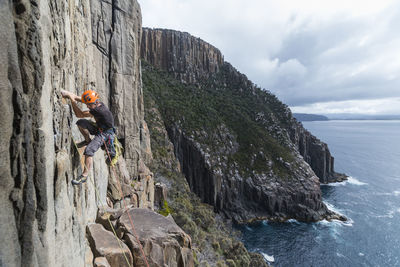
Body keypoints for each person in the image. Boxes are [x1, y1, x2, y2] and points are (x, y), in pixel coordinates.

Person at [61, 89, 116, 185]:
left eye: (89, 105)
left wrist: (72, 99)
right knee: (81, 123)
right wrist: (71, 95)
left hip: (105, 134)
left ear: (95, 103)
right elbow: (84, 101)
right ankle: (87, 140)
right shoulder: (97, 103)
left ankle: (84, 176)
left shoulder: (99, 111)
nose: (87, 106)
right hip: (99, 128)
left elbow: (79, 114)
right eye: (88, 105)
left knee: (89, 150)